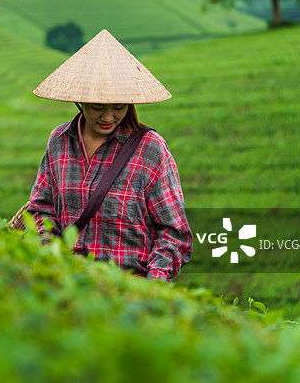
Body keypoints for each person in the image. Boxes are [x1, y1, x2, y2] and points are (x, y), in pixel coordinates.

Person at [27, 29, 192, 281]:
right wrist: (50, 254)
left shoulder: (151, 149)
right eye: (97, 107)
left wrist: (154, 284)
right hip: (66, 286)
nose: (108, 117)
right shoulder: (59, 141)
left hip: (129, 292)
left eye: (118, 107)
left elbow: (174, 232)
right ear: (80, 101)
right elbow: (42, 208)